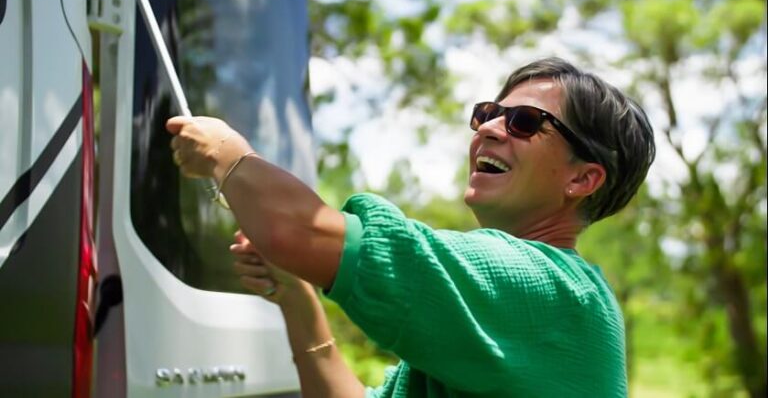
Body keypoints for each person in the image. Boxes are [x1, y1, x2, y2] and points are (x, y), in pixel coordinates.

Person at [166, 57, 656, 397]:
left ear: (582, 178)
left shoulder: (546, 287)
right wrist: (298, 298)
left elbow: (295, 231)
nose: (487, 128)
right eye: (488, 114)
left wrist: (228, 157)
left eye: (525, 122)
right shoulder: (508, 310)